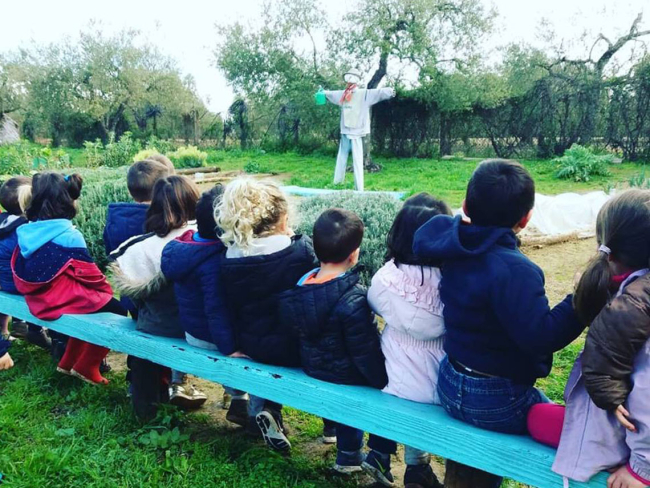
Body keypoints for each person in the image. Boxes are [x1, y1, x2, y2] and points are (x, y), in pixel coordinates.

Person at [412, 159, 585, 436]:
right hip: (499, 401)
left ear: (466, 206)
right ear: (526, 218)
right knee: (577, 431)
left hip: (449, 381)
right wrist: (580, 299)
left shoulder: (451, 246)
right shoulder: (518, 271)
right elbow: (542, 337)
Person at [525, 190, 650, 488]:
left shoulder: (632, 308)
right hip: (623, 430)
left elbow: (646, 395)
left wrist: (640, 470)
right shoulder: (633, 295)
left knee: (533, 418)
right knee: (538, 415)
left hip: (625, 441)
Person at [279, 208, 397, 485]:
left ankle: (347, 455)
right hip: (345, 375)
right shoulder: (353, 298)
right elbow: (364, 353)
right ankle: (369, 456)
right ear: (354, 255)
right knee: (372, 388)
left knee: (344, 385)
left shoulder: (300, 286)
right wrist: (384, 380)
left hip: (313, 367)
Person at [216, 178, 318, 451]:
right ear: (282, 218)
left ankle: (260, 413)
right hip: (292, 346)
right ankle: (325, 425)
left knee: (262, 355)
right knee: (283, 348)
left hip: (251, 344)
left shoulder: (230, 257)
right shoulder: (298, 251)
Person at [367, 193, 451, 488]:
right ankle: (417, 468)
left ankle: (378, 455)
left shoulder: (385, 279)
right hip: (438, 381)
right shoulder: (453, 281)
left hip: (393, 373)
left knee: (394, 394)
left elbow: (374, 303)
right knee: (418, 403)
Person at [11, 172, 126, 384]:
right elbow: (90, 274)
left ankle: (67, 361)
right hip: (58, 300)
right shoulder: (68, 235)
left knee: (93, 306)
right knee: (116, 309)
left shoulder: (26, 230)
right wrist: (105, 290)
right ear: (67, 200)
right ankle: (87, 365)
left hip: (38, 298)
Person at [110, 176, 207, 418]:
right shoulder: (205, 241)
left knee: (144, 343)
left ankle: (144, 408)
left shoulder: (137, 248)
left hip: (155, 326)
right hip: (200, 331)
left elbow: (132, 297)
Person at [161, 185, 250, 427]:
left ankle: (177, 379)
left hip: (190, 331)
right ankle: (240, 399)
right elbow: (216, 309)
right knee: (245, 347)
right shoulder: (214, 262)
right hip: (210, 336)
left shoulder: (182, 247)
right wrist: (229, 347)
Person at [321, 68, 395, 191]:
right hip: (346, 128)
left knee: (357, 159)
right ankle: (337, 183)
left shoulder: (363, 94)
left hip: (357, 129)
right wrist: (323, 93)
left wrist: (390, 91)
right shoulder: (344, 94)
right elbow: (331, 94)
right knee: (342, 156)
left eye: (350, 78)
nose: (348, 81)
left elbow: (378, 93)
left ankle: (358, 188)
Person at [0, 177, 37, 345]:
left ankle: (4, 331)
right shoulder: (26, 229)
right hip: (16, 284)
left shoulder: (4, 221)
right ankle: (37, 331)